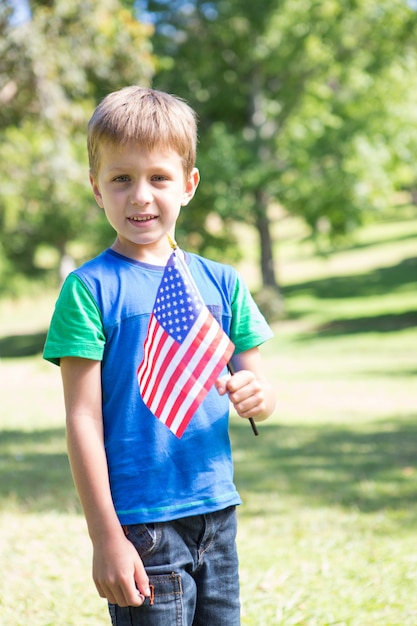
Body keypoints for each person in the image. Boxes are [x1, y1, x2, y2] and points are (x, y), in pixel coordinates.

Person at [43, 86, 276, 626]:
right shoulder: (88, 289)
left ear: (189, 185)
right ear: (97, 190)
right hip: (142, 524)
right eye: (121, 179)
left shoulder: (220, 283)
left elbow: (258, 392)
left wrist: (257, 395)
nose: (140, 196)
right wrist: (105, 537)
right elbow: (82, 418)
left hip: (216, 509)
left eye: (158, 178)